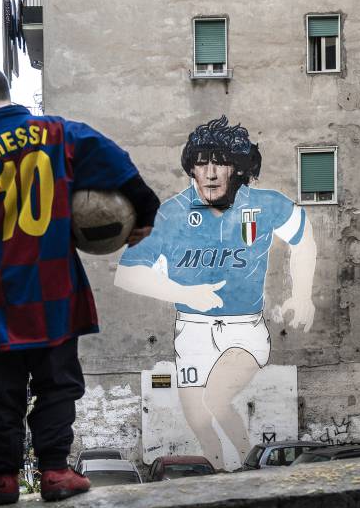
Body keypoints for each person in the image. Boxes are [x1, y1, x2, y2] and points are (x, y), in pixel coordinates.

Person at [0, 61, 159, 504]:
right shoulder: (60, 133)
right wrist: (145, 212)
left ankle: (5, 479)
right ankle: (54, 471)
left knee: (0, 394)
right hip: (56, 290)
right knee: (57, 386)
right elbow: (117, 164)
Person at [114, 116, 316, 470]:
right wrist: (185, 293)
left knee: (216, 398)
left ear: (236, 168)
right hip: (191, 329)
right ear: (191, 168)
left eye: (219, 162)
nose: (209, 172)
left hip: (245, 329)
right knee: (198, 419)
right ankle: (218, 473)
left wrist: (302, 296)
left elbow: (303, 236)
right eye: (201, 162)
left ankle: (247, 467)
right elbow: (128, 272)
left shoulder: (263, 204)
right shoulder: (172, 213)